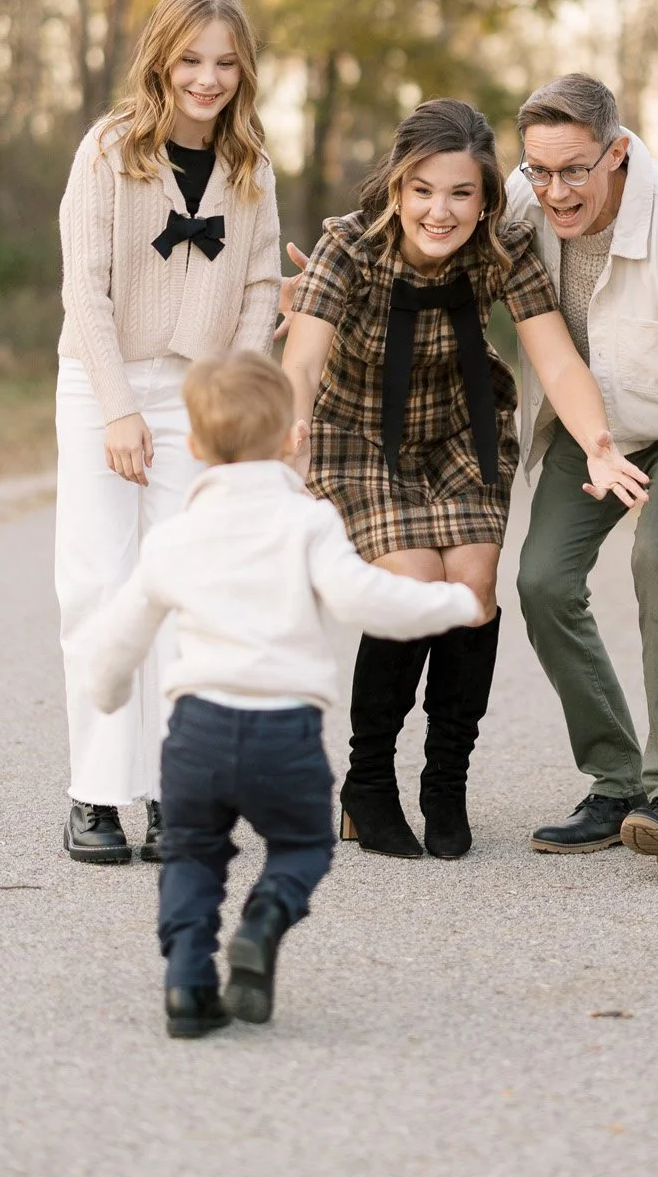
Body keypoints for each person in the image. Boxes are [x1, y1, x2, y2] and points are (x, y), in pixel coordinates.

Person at [75, 351, 482, 1039]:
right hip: (283, 735)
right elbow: (366, 600)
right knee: (301, 846)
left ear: (197, 447)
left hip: (197, 733)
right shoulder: (308, 522)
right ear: (295, 437)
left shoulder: (174, 537)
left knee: (190, 857)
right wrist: (449, 603)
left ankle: (187, 985)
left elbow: (118, 636)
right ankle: (263, 922)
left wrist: (107, 693)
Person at [281, 99, 648, 862]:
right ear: (395, 187)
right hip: (359, 437)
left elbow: (554, 359)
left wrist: (600, 443)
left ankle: (445, 782)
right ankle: (367, 784)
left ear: (485, 198)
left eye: (459, 193)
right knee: (415, 584)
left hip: (459, 430)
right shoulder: (346, 249)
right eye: (422, 190)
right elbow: (303, 363)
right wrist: (291, 437)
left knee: (473, 591)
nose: (439, 211)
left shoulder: (501, 249)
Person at [55, 0, 281, 867]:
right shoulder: (109, 150)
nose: (208, 78)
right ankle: (98, 793)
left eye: (225, 63)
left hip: (201, 395)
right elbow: (85, 285)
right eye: (191, 59)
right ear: (162, 58)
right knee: (100, 586)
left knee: (189, 592)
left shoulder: (252, 166)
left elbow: (261, 288)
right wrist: (117, 408)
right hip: (101, 386)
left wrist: (231, 405)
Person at [509, 75, 658, 871]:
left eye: (574, 170)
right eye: (539, 171)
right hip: (592, 427)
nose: (555, 191)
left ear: (618, 152)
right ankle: (614, 782)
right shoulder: (522, 199)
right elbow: (425, 222)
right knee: (540, 581)